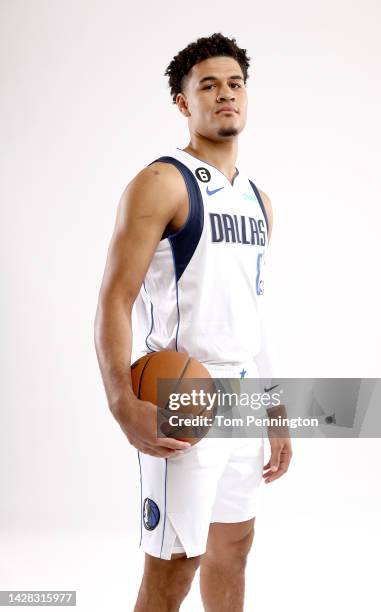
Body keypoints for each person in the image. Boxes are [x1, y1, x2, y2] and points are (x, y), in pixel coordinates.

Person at [94, 32, 293, 612]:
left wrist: (274, 405)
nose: (225, 94)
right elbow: (113, 297)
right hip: (180, 396)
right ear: (184, 102)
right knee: (172, 569)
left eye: (234, 84)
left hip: (242, 397)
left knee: (234, 547)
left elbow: (251, 310)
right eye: (208, 85)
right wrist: (119, 400)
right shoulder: (162, 182)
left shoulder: (259, 200)